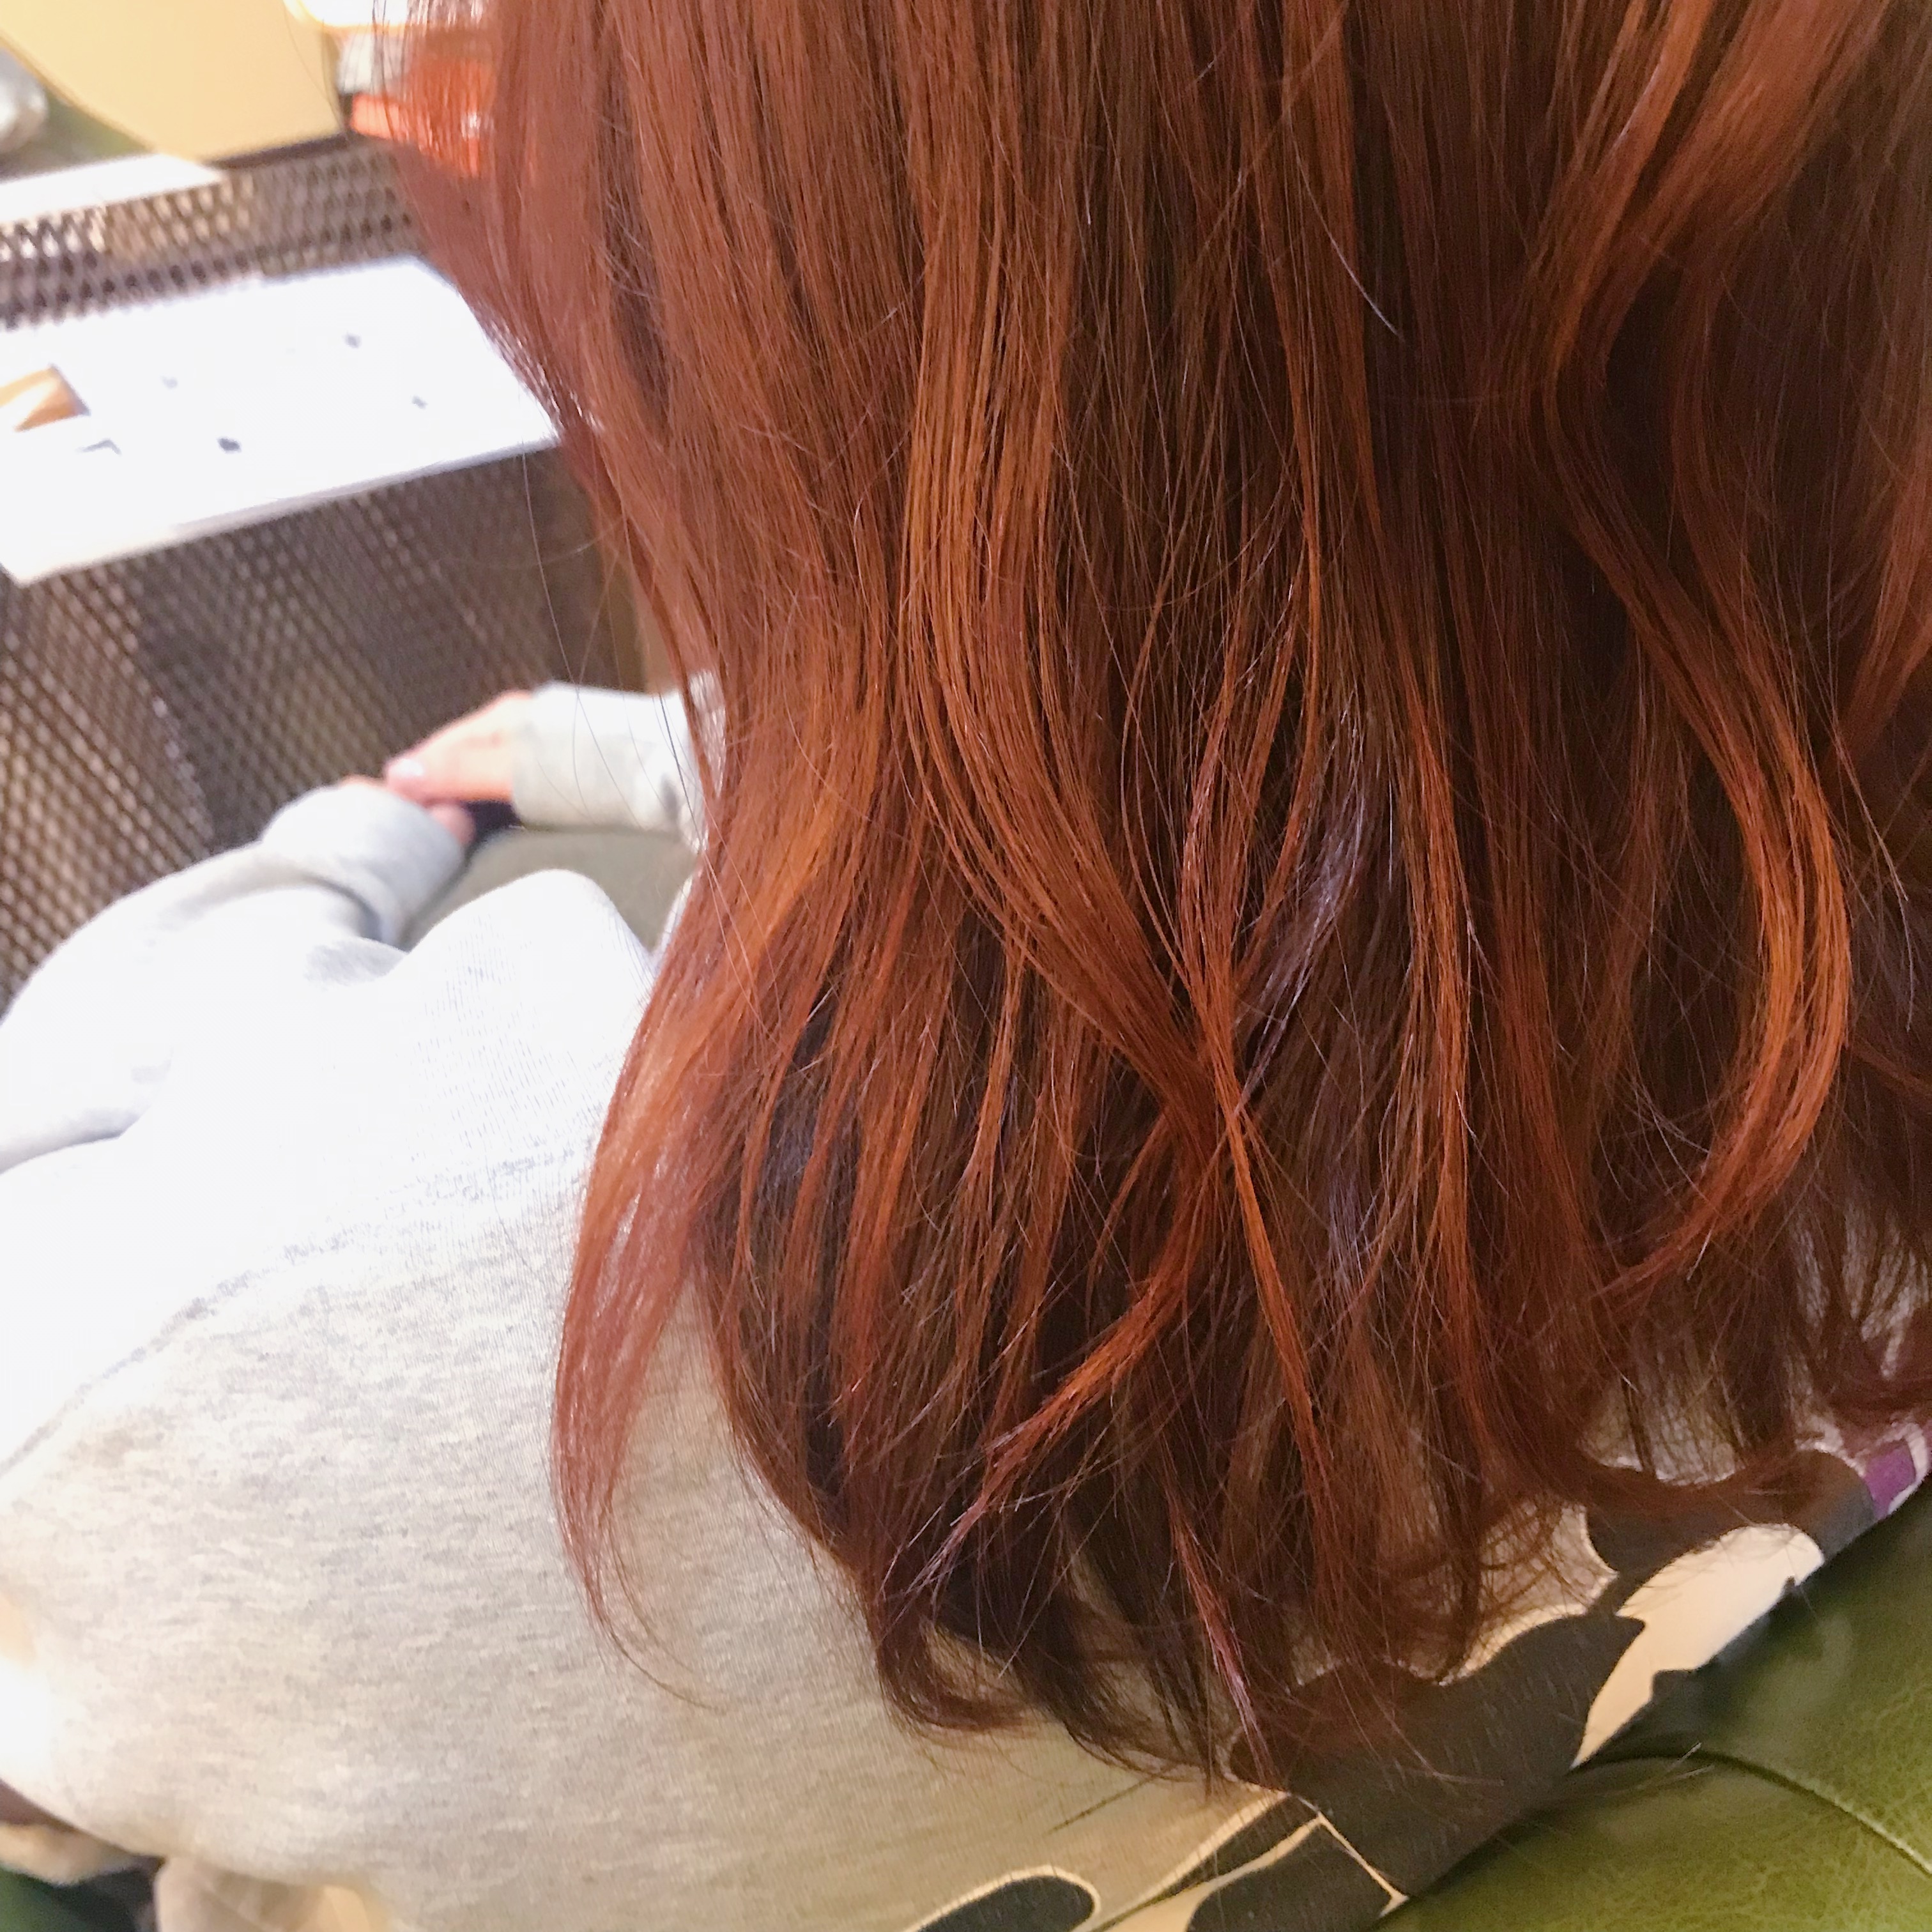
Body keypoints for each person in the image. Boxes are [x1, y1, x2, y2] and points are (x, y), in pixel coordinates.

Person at [6, 0, 1932, 1927]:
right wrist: (644, 743)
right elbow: (1344, 675)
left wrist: (345, 838)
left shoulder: (298, 1367)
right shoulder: (1840, 1037)